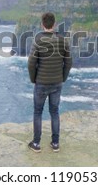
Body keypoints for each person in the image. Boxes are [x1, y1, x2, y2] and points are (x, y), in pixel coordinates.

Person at [27, 12, 72, 153]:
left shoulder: (38, 40)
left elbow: (31, 63)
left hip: (41, 83)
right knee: (54, 112)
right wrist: (63, 77)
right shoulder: (62, 40)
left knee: (38, 112)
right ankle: (55, 143)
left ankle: (36, 143)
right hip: (57, 82)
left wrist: (33, 78)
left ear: (42, 24)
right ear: (54, 24)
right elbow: (69, 62)